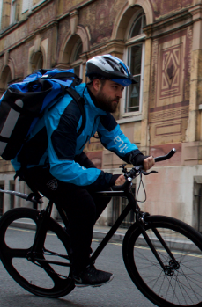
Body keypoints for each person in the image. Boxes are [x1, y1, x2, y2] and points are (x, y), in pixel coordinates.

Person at [13, 55, 155, 287]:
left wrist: (136, 156)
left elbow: (114, 136)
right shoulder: (68, 110)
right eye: (116, 87)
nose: (120, 94)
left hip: (65, 154)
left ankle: (75, 237)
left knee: (105, 190)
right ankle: (80, 269)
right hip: (38, 164)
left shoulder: (97, 106)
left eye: (122, 88)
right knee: (83, 203)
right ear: (96, 84)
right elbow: (60, 166)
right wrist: (104, 177)